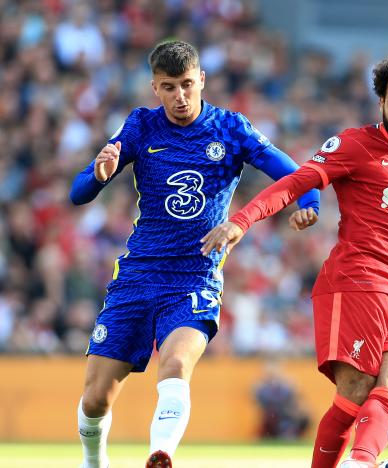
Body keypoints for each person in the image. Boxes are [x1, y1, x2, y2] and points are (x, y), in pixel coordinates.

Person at [200, 50, 388, 468]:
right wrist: (242, 221)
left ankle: (361, 462)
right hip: (355, 283)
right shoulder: (355, 145)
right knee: (357, 389)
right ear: (382, 101)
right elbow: (298, 180)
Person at [70, 40, 320, 468]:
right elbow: (78, 194)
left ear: (202, 80)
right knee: (95, 398)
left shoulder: (230, 129)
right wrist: (97, 176)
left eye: (187, 84)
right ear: (155, 88)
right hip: (138, 275)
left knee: (176, 366)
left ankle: (161, 452)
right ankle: (94, 463)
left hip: (195, 277)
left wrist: (309, 205)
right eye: (169, 87)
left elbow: (300, 177)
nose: (180, 97)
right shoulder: (139, 127)